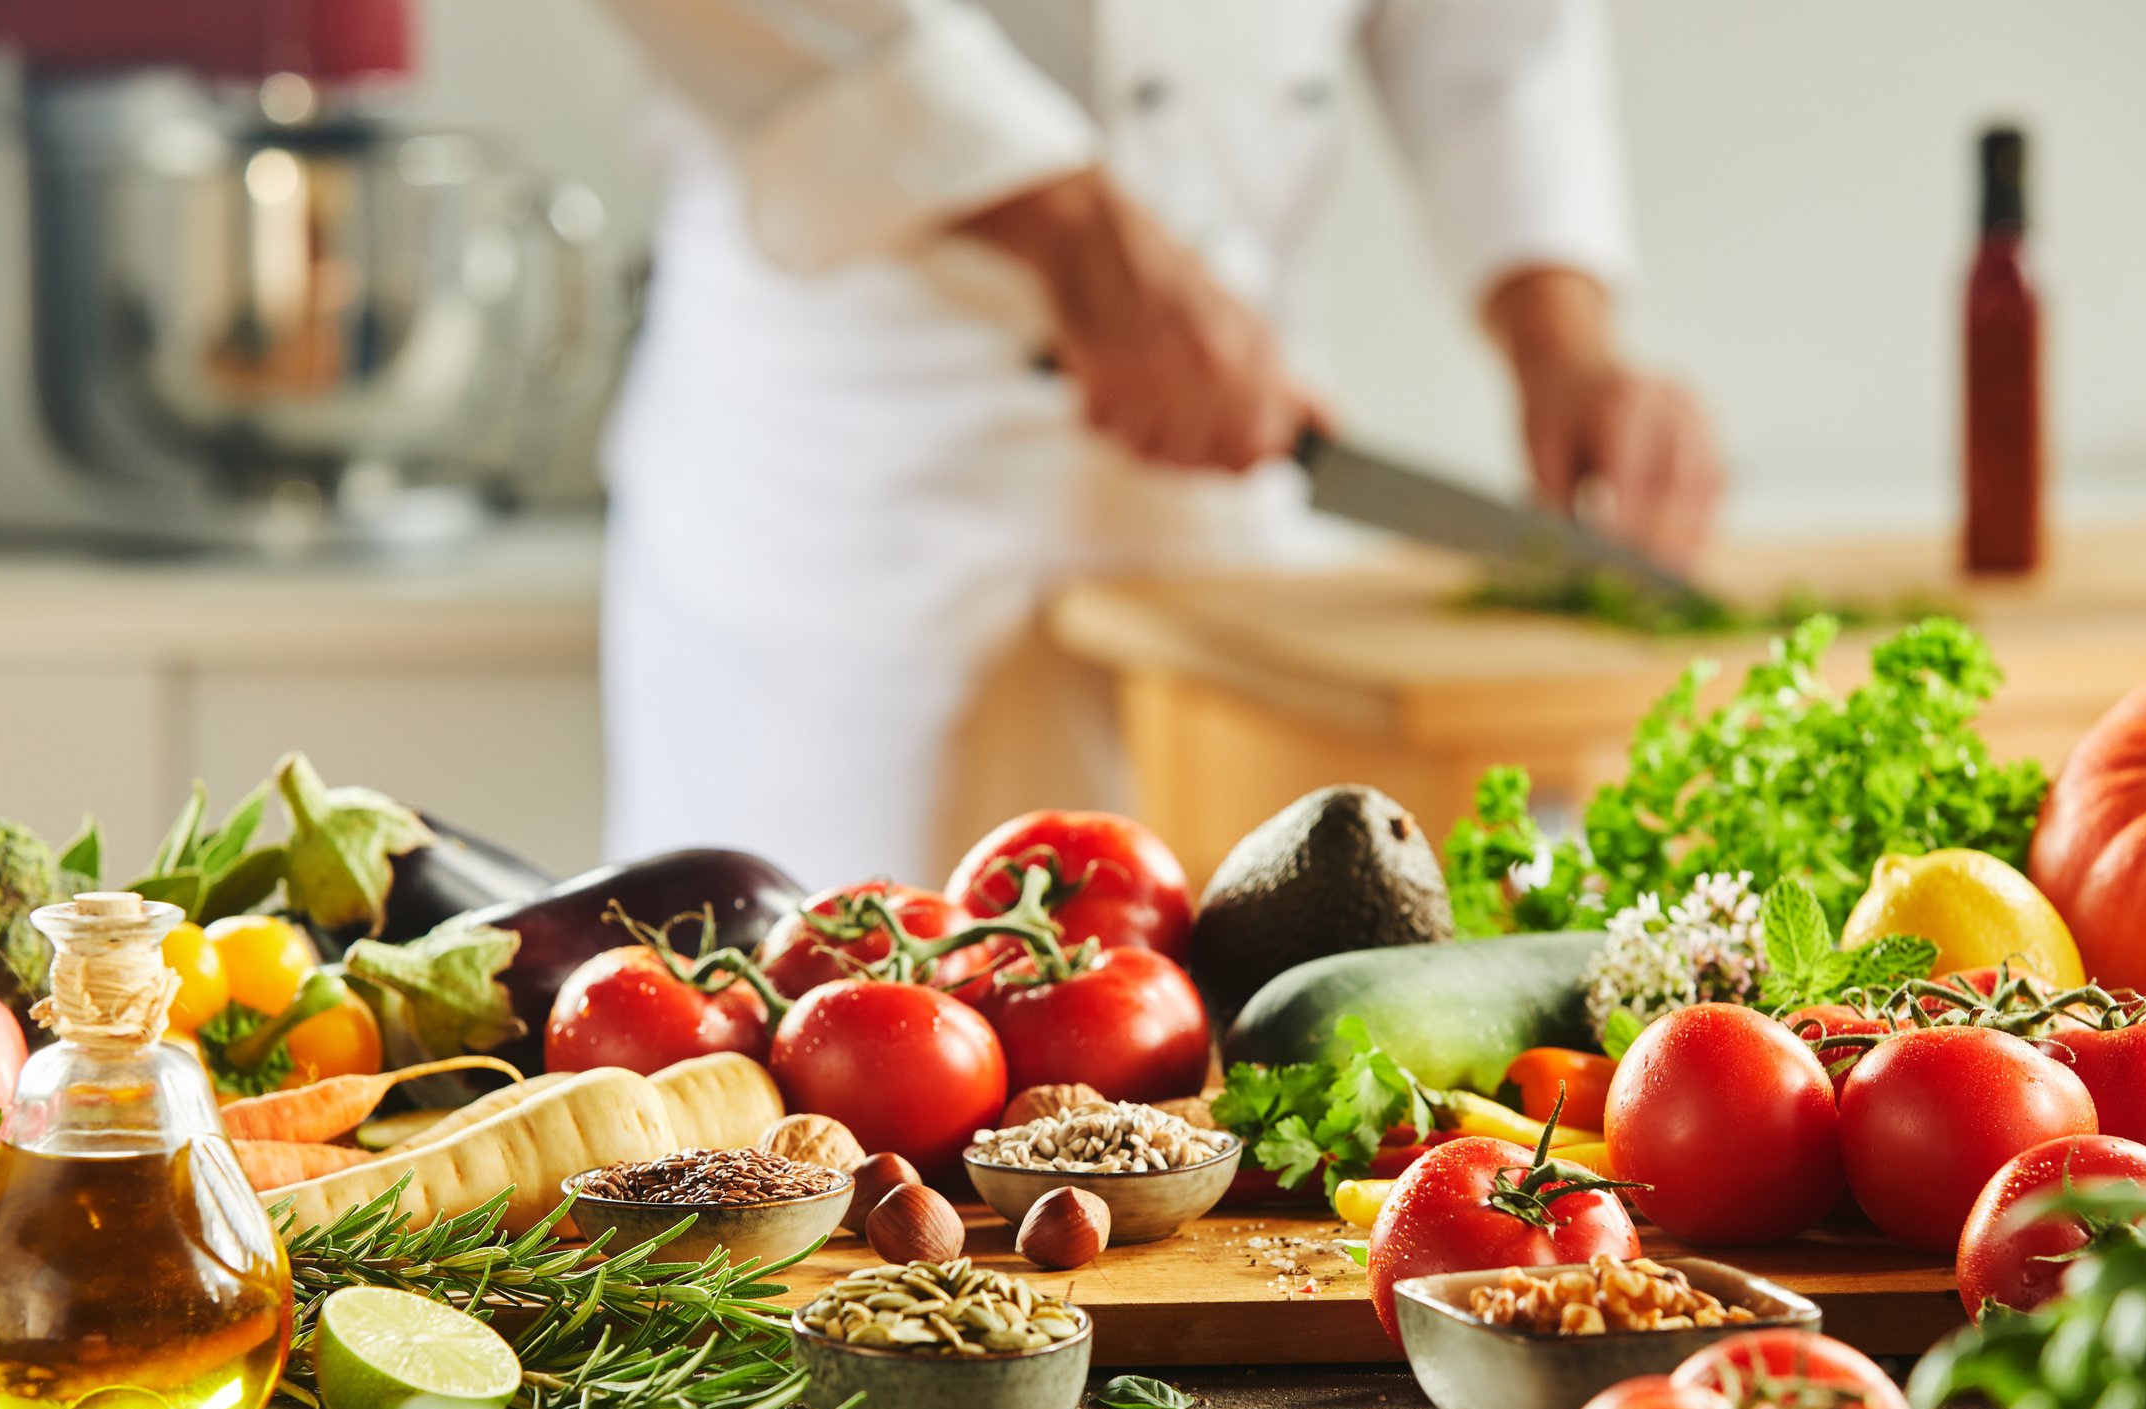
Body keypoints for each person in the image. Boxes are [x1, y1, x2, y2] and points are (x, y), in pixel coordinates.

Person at [597, 0, 1721, 885]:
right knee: (814, 1071)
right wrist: (1071, 224)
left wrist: (1559, 333)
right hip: (854, 492)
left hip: (1223, 503)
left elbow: (1492, 34)